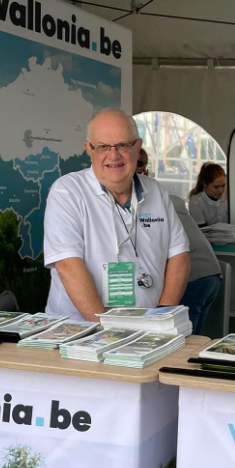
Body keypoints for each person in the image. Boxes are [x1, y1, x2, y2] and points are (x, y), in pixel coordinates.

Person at [43, 109, 190, 321]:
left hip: (146, 326)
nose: (113, 155)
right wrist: (105, 329)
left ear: (137, 147)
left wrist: (162, 317)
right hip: (82, 329)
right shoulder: (68, 191)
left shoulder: (156, 191)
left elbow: (179, 256)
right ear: (89, 150)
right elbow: (68, 266)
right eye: (102, 146)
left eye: (122, 145)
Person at [168, 195, 223, 334]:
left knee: (184, 337)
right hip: (211, 275)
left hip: (192, 278)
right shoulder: (172, 203)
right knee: (195, 338)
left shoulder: (154, 208)